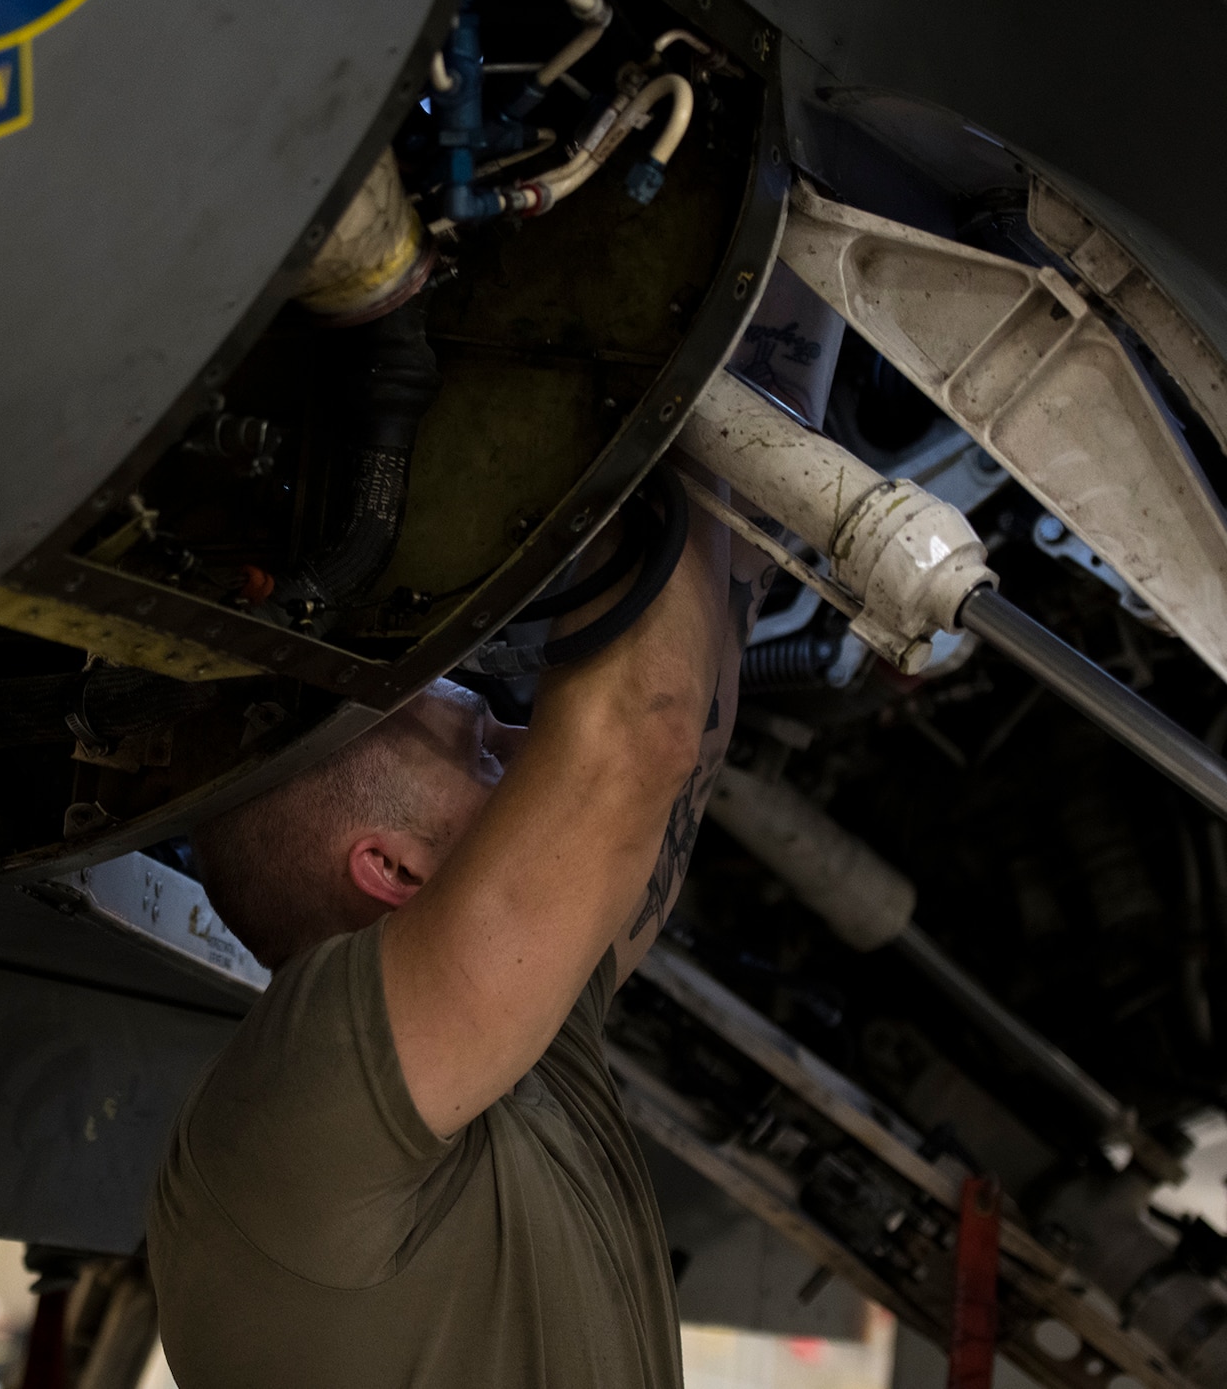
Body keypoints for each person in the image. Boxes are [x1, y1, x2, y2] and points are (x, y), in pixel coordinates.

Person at [148, 476, 772, 1387]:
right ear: (393, 870)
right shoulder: (302, 1096)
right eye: (485, 749)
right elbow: (650, 734)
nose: (527, 748)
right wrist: (657, 414)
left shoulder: (486, 1061)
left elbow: (670, 749)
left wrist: (745, 435)